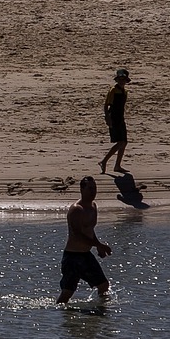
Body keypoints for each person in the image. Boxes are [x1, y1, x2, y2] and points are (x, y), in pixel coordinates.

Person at [57, 175, 112, 304]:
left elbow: (89, 230)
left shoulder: (93, 207)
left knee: (103, 285)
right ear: (82, 190)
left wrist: (98, 246)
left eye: (94, 188)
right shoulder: (77, 210)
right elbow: (78, 235)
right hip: (72, 258)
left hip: (85, 255)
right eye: (90, 188)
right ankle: (57, 315)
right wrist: (99, 245)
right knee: (67, 293)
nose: (93, 192)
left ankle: (101, 313)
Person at [100, 68, 131, 174]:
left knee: (124, 142)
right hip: (113, 118)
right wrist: (107, 118)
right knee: (120, 142)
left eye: (123, 79)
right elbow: (106, 105)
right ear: (117, 80)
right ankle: (104, 161)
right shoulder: (113, 90)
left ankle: (117, 165)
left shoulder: (125, 92)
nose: (122, 81)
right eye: (120, 79)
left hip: (121, 119)